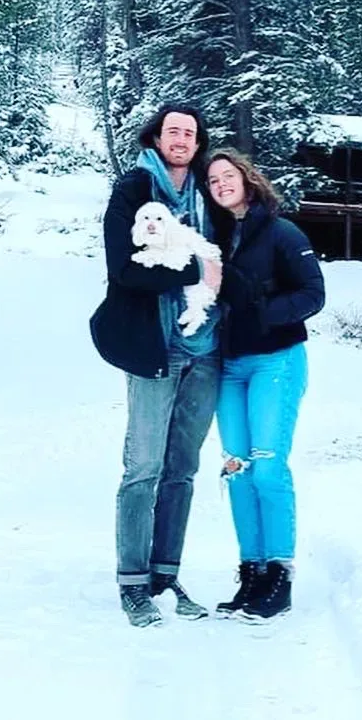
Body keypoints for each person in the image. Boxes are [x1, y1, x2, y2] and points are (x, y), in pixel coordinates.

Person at [89, 103, 223, 627]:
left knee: (182, 469)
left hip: (205, 349)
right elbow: (122, 268)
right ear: (158, 137)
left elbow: (230, 256)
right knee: (143, 466)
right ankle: (132, 582)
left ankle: (166, 573)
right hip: (153, 347)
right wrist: (192, 268)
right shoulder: (133, 189)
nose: (182, 139)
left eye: (190, 132)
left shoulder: (210, 190)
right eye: (173, 131)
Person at [205, 149, 324, 622]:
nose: (220, 185)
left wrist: (261, 313)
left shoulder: (280, 232)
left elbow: (313, 294)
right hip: (229, 368)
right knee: (237, 469)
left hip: (276, 362)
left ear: (248, 179)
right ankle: (251, 571)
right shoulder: (213, 237)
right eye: (212, 180)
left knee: (269, 467)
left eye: (227, 176)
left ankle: (279, 573)